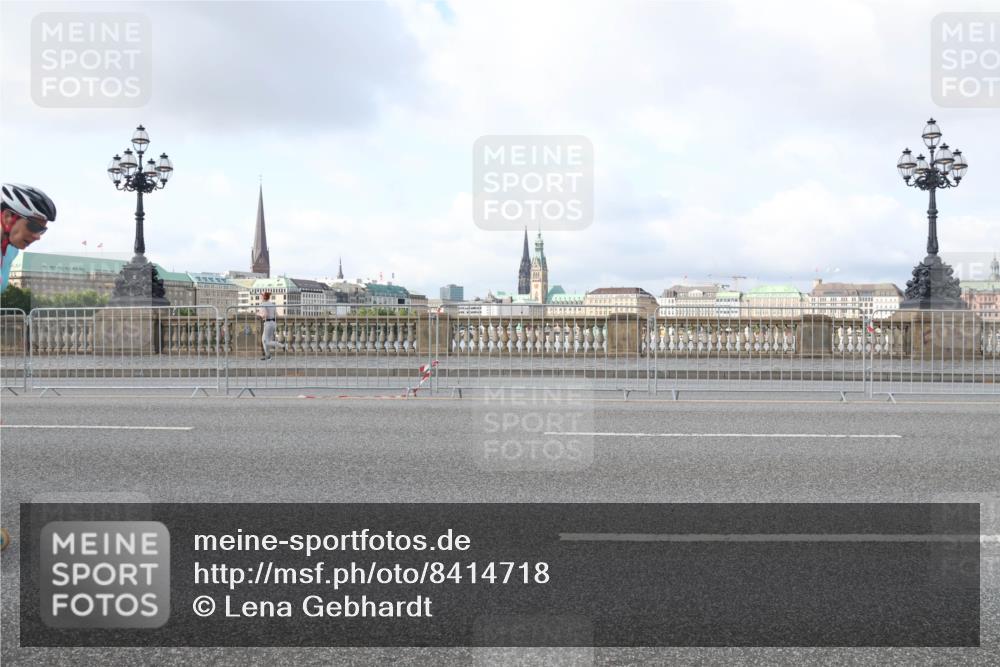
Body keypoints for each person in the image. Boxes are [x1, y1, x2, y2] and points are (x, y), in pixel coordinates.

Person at [1, 183, 57, 291]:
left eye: (42, 230)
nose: (37, 237)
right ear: (7, 217)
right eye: (33, 227)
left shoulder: (11, 251)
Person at [256, 291, 285, 360]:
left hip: (268, 323)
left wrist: (258, 314)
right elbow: (277, 315)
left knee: (265, 341)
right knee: (267, 340)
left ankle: (282, 345)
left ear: (263, 297)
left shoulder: (263, 304)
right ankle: (268, 356)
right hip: (273, 323)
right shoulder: (272, 304)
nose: (260, 297)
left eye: (261, 296)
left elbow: (265, 315)